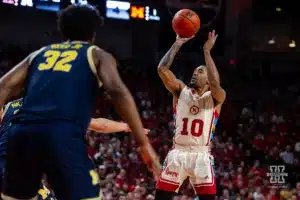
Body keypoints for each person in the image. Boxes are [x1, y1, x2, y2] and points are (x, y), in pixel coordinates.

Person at [0, 4, 161, 200]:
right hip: (60, 135)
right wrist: (143, 143)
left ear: (62, 30)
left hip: (21, 137)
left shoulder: (39, 54)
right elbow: (117, 91)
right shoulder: (96, 53)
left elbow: (4, 85)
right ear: (93, 33)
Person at [155, 30, 226, 200]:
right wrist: (177, 43)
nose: (195, 73)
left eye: (200, 71)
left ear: (208, 80)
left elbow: (216, 82)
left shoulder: (216, 97)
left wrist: (207, 52)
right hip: (178, 152)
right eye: (195, 71)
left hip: (201, 155)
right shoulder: (180, 91)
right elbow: (162, 69)